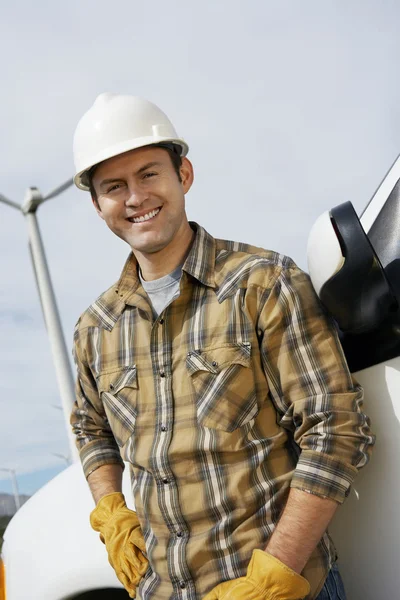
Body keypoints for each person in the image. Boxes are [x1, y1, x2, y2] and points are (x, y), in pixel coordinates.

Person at [70, 93, 375, 600]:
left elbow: (338, 430)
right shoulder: (95, 328)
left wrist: (271, 579)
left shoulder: (263, 284)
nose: (135, 197)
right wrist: (111, 514)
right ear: (98, 204)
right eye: (114, 186)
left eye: (149, 174)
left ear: (183, 175)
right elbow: (90, 428)